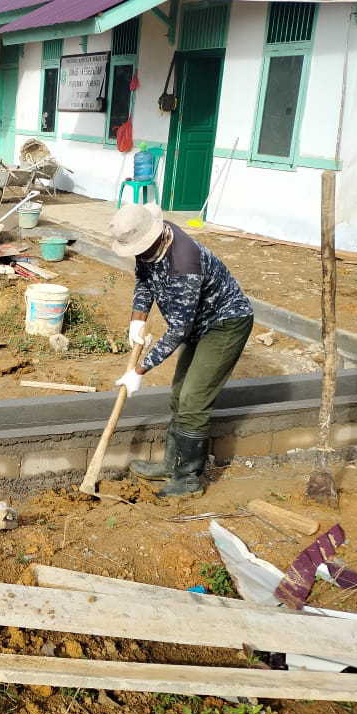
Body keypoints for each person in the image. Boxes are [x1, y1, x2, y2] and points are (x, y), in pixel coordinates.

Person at [109, 202, 254, 497]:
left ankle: (187, 479)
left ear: (153, 236)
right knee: (179, 394)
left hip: (225, 323)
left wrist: (140, 370)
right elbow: (145, 281)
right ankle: (171, 464)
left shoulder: (184, 263)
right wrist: (137, 320)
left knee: (193, 399)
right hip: (198, 323)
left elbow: (178, 329)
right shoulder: (149, 244)